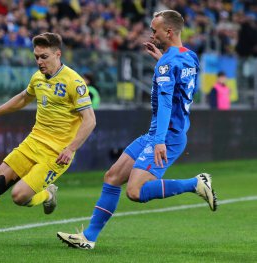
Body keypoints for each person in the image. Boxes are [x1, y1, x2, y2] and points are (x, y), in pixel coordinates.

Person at [57, 10, 217, 250]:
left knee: (135, 191)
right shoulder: (189, 57)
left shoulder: (168, 62)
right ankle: (88, 238)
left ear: (169, 31)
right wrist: (161, 60)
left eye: (155, 30)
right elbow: (180, 87)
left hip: (166, 136)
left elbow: (164, 103)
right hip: (158, 133)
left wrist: (160, 140)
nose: (152, 34)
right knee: (112, 177)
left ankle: (195, 183)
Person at [0, 32, 96, 243]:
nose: (39, 62)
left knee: (19, 197)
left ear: (58, 54)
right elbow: (23, 98)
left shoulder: (74, 82)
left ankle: (48, 195)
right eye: (36, 57)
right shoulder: (37, 78)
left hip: (56, 153)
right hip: (33, 142)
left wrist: (71, 148)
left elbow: (89, 120)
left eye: (44, 57)